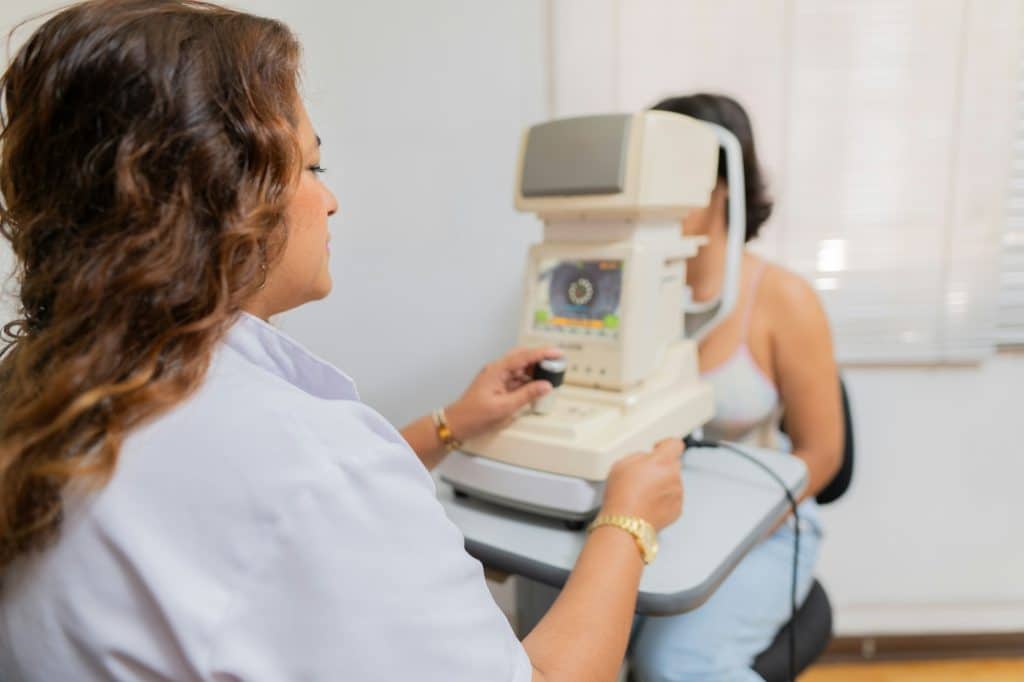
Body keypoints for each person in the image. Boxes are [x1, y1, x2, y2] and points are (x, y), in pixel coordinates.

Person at [0, 2, 684, 680]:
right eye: (312, 168)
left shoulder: (36, 384)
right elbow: (306, 500)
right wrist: (627, 522)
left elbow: (271, 515)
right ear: (223, 192)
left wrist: (450, 425)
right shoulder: (309, 471)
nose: (328, 201)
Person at [518, 94, 844, 681]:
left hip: (761, 527)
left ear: (722, 185)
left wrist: (723, 533)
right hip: (651, 513)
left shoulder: (783, 301)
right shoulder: (617, 286)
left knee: (676, 665)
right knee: (571, 643)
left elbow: (822, 454)